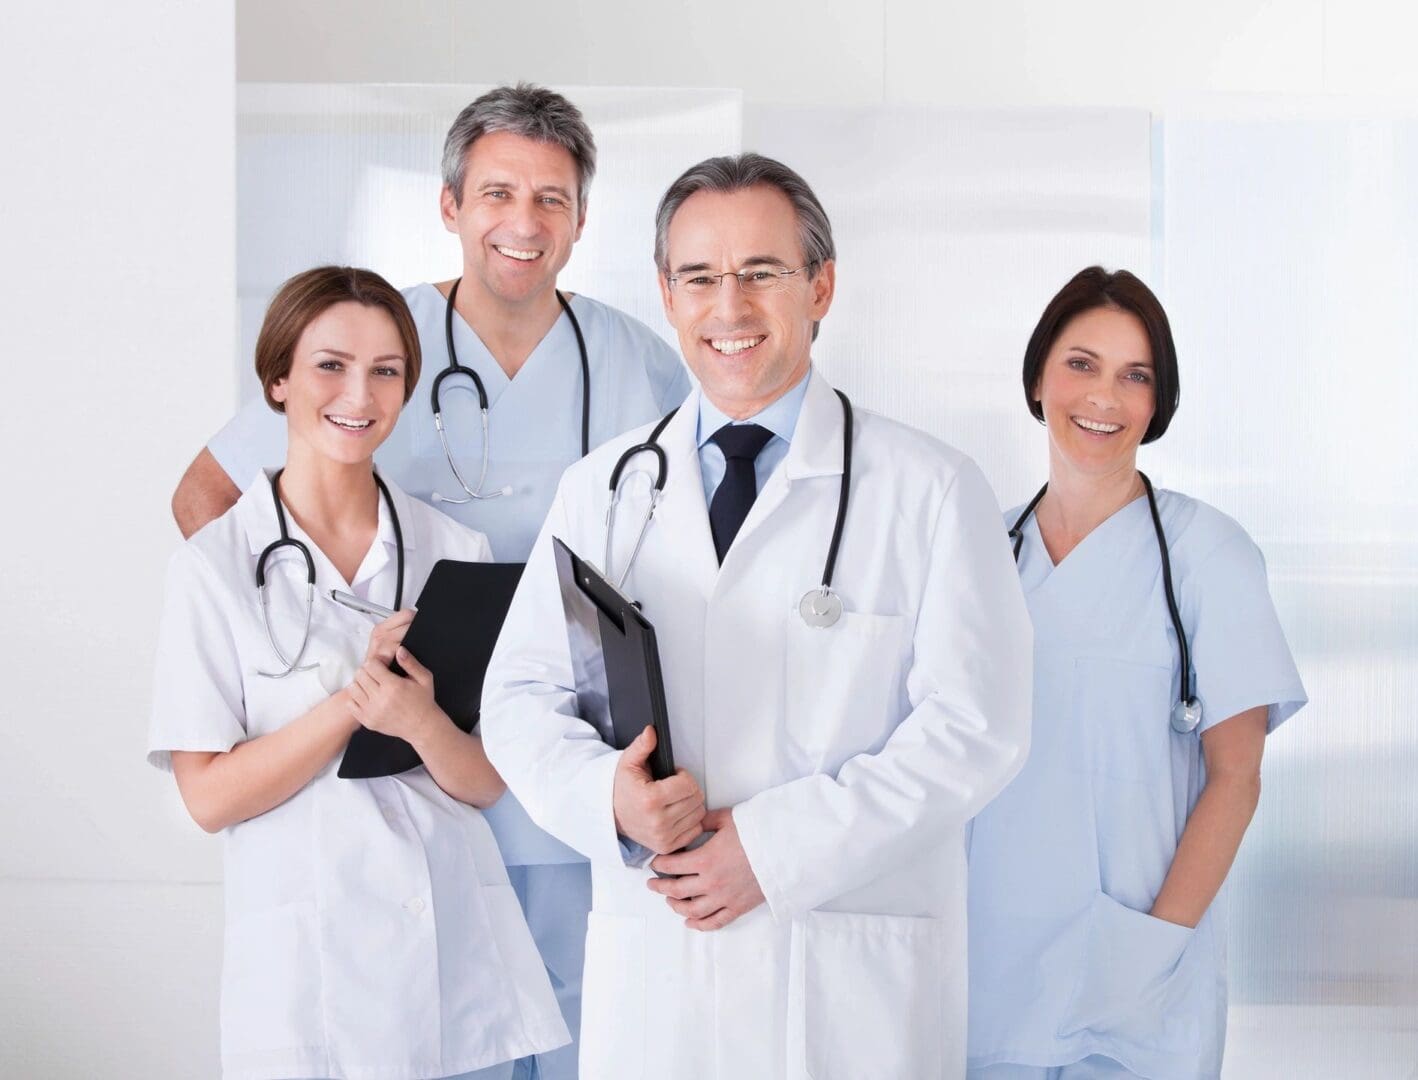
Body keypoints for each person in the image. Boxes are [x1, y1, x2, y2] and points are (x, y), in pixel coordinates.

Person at [171, 85, 690, 1080]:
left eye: (551, 199)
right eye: (497, 192)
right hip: (410, 772)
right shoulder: (374, 342)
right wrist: (313, 651)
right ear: (450, 206)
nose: (523, 223)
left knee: (586, 1041)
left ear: (582, 220)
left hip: (574, 772)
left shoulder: (637, 363)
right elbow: (208, 494)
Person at [480, 153, 1033, 1079]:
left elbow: (977, 729)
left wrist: (777, 851)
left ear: (820, 285)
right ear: (665, 292)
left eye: (762, 273)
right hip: (661, 975)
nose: (727, 306)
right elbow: (520, 699)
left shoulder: (930, 490)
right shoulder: (604, 490)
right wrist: (608, 801)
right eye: (699, 276)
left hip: (844, 982)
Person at [148, 266, 569, 1080]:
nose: (360, 393)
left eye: (386, 371)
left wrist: (420, 721)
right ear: (278, 379)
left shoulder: (457, 553)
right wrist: (354, 705)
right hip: (307, 975)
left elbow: (485, 781)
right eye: (330, 365)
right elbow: (208, 798)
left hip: (450, 959)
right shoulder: (214, 567)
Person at [965, 268, 1308, 1080]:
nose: (1104, 398)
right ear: (1039, 375)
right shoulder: (979, 549)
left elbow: (1237, 776)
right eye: (1082, 364)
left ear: (1158, 404)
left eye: (1136, 375)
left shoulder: (1207, 554)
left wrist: (1147, 954)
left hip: (1135, 984)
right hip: (986, 973)